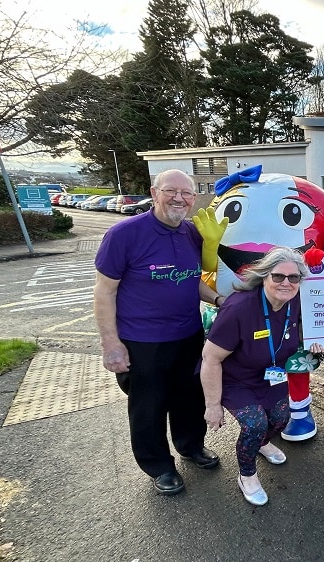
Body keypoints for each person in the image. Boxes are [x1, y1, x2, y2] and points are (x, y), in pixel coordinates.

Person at [94, 169, 223, 495]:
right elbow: (104, 291)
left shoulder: (192, 233)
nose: (179, 198)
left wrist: (220, 299)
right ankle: (158, 465)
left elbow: (189, 278)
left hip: (188, 334)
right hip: (142, 341)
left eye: (186, 193)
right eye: (171, 191)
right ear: (154, 192)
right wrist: (111, 343)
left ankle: (190, 446)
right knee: (148, 407)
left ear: (193, 199)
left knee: (189, 397)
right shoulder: (125, 234)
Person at [199, 247, 324, 505]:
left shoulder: (296, 301)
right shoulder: (239, 308)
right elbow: (211, 358)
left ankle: (262, 443)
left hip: (271, 376)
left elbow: (298, 333)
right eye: (278, 276)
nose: (286, 283)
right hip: (235, 379)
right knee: (255, 423)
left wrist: (314, 343)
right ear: (264, 276)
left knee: (281, 416)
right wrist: (212, 406)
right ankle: (247, 475)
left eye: (293, 277)